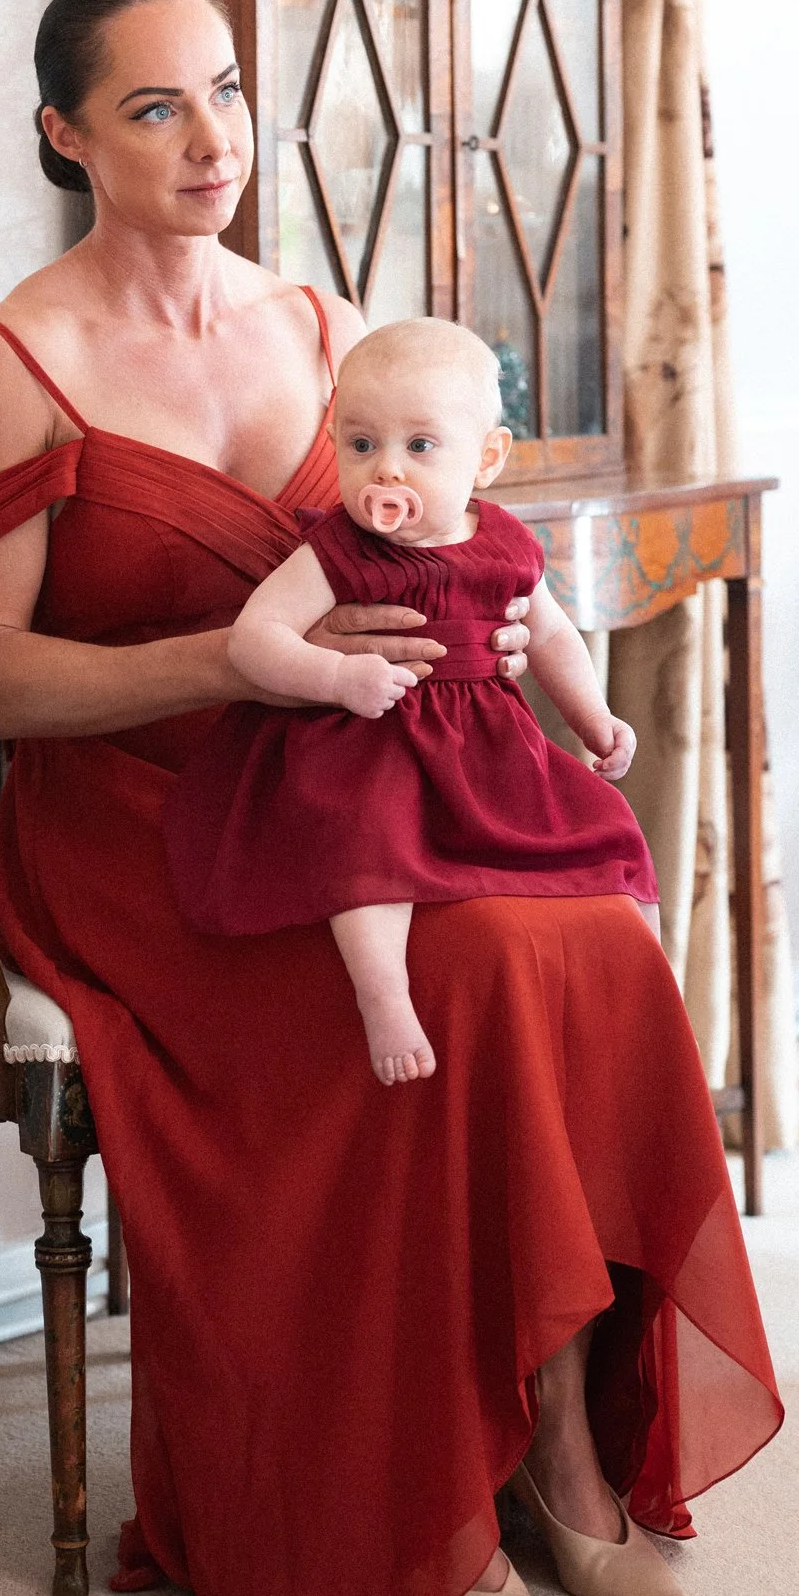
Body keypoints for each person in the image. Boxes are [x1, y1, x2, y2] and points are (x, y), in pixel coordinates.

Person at [0, 0, 782, 1596]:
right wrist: (239, 672)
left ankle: (558, 1460)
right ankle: (418, 1520)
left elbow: (424, 537)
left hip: (357, 797)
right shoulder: (10, 361)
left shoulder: (313, 326)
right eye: (153, 105)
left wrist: (505, 639)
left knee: (586, 941)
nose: (209, 135)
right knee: (453, 982)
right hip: (141, 839)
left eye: (225, 88)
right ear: (64, 134)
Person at [165, 315, 658, 1086]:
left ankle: (641, 1004)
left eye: (418, 447)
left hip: (488, 751)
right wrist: (334, 678)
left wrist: (596, 720)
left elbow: (553, 638)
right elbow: (253, 637)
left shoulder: (504, 544)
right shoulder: (335, 550)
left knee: (610, 833)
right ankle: (383, 995)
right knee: (366, 848)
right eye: (361, 446)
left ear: (485, 459)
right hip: (370, 746)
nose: (385, 472)